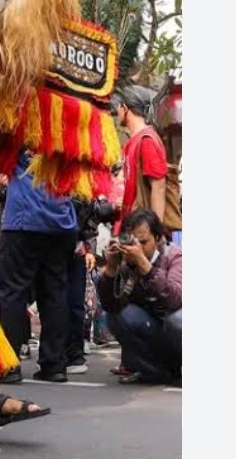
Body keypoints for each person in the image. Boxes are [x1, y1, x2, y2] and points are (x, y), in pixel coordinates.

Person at [0, 149, 78, 383]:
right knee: (55, 292)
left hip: (24, 217)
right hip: (60, 218)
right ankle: (54, 365)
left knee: (13, 292)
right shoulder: (71, 128)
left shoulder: (22, 128)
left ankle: (9, 366)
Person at [96, 208, 182, 385]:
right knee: (117, 316)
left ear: (158, 238)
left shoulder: (175, 256)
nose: (137, 248)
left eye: (143, 242)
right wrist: (111, 269)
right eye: (133, 242)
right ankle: (154, 371)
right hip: (154, 332)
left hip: (175, 332)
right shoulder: (127, 263)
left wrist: (145, 266)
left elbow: (176, 299)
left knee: (177, 320)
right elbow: (111, 306)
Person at [112, 86, 168, 232]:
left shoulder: (146, 140)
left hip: (144, 230)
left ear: (125, 108)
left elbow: (158, 187)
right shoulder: (131, 142)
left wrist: (154, 232)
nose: (117, 111)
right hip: (131, 225)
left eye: (119, 106)